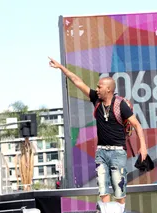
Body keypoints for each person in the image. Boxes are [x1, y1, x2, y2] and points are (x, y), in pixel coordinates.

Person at [48, 57, 148, 213]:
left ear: (108, 89)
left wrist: (143, 147)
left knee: (119, 188)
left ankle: (119, 211)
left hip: (118, 152)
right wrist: (61, 67)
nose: (97, 89)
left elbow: (137, 125)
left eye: (99, 86)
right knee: (102, 188)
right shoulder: (96, 100)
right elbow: (77, 82)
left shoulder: (120, 104)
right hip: (101, 152)